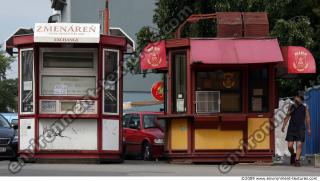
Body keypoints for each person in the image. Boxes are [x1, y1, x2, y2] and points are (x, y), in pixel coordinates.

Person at [281, 95, 311, 167]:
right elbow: (287, 116)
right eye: (295, 99)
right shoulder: (292, 106)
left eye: (297, 98)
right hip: (292, 128)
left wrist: (309, 128)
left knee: (299, 144)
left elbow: (307, 118)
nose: (295, 99)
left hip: (300, 128)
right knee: (290, 146)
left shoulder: (305, 106)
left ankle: (297, 160)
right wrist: (284, 126)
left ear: (301, 100)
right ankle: (293, 154)